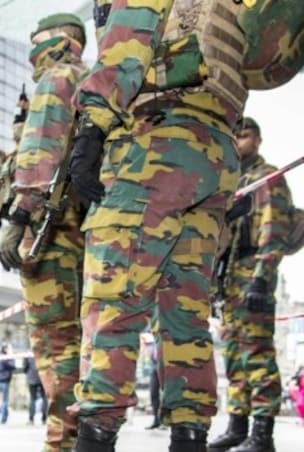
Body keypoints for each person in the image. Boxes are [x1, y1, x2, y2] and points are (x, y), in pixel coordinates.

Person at [65, 1, 301, 450]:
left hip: (154, 142)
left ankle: (95, 437)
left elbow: (129, 40)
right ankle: (189, 436)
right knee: (185, 312)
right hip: (215, 153)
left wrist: (92, 126)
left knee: (113, 301)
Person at [0, 12, 88, 452]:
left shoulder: (56, 78)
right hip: (85, 230)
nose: (32, 51)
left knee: (55, 339)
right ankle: (82, 435)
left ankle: (62, 441)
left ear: (56, 39)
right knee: (78, 336)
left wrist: (18, 218)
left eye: (36, 41)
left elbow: (41, 149)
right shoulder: (92, 80)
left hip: (53, 227)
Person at [208, 118, 293, 452]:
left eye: (243, 136)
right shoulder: (232, 181)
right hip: (231, 280)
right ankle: (238, 426)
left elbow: (275, 231)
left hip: (252, 273)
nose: (237, 142)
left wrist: (262, 278)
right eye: (234, 136)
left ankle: (262, 433)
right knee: (233, 357)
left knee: (257, 354)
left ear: (257, 140)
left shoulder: (266, 178)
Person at [24, 357, 47, 426]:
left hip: (32, 378)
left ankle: (31, 419)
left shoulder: (28, 353)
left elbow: (25, 367)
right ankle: (44, 418)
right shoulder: (44, 349)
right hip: (43, 376)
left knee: (32, 398)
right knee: (44, 398)